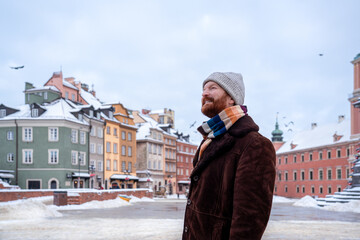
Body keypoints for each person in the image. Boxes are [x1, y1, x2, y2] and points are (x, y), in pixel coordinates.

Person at [182, 72, 276, 240]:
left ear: (232, 98)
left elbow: (250, 219)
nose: (204, 93)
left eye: (213, 88)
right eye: (203, 89)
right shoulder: (211, 139)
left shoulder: (254, 144)